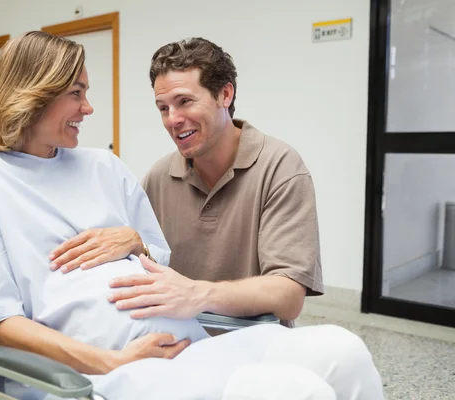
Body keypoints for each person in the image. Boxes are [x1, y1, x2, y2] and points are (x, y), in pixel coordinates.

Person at [0, 31, 364, 400]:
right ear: (33, 95)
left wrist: (137, 241)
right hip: (109, 370)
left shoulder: (104, 166)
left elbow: (159, 256)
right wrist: (112, 360)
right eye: (76, 93)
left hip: (192, 341)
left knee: (343, 352)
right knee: (297, 391)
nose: (88, 107)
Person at [49, 37, 385, 399]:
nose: (173, 120)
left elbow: (288, 295)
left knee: (345, 351)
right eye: (163, 108)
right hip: (176, 355)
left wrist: (199, 294)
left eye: (184, 102)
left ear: (225, 94)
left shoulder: (280, 168)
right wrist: (136, 242)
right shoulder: (158, 178)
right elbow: (139, 267)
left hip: (258, 343)